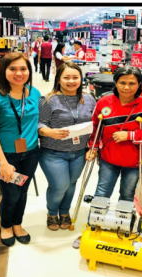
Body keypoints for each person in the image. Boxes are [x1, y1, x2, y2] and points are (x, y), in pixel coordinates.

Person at [72, 66, 142, 249]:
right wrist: (92, 148)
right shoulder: (104, 103)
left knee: (126, 196)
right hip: (108, 159)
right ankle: (93, 227)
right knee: (102, 193)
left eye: (132, 83)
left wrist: (130, 136)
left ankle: (122, 228)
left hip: (134, 162)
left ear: (139, 85)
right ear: (116, 82)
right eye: (122, 82)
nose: (127, 87)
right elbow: (95, 128)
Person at [0, 52, 41, 247]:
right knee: (11, 194)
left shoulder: (34, 92)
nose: (19, 73)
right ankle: (6, 225)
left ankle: (17, 223)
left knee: (22, 191)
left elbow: (37, 122)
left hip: (30, 153)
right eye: (12, 69)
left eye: (23, 68)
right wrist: (3, 163)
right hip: (6, 156)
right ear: (3, 71)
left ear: (29, 71)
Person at [38, 61, 96, 231]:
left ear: (81, 79)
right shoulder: (49, 100)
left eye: (75, 77)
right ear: (59, 79)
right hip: (53, 152)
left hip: (78, 153)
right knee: (60, 185)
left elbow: (96, 126)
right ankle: (51, 213)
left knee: (71, 184)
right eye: (67, 77)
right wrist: (50, 132)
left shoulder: (89, 99)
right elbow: (39, 124)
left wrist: (92, 148)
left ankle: (64, 212)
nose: (71, 81)